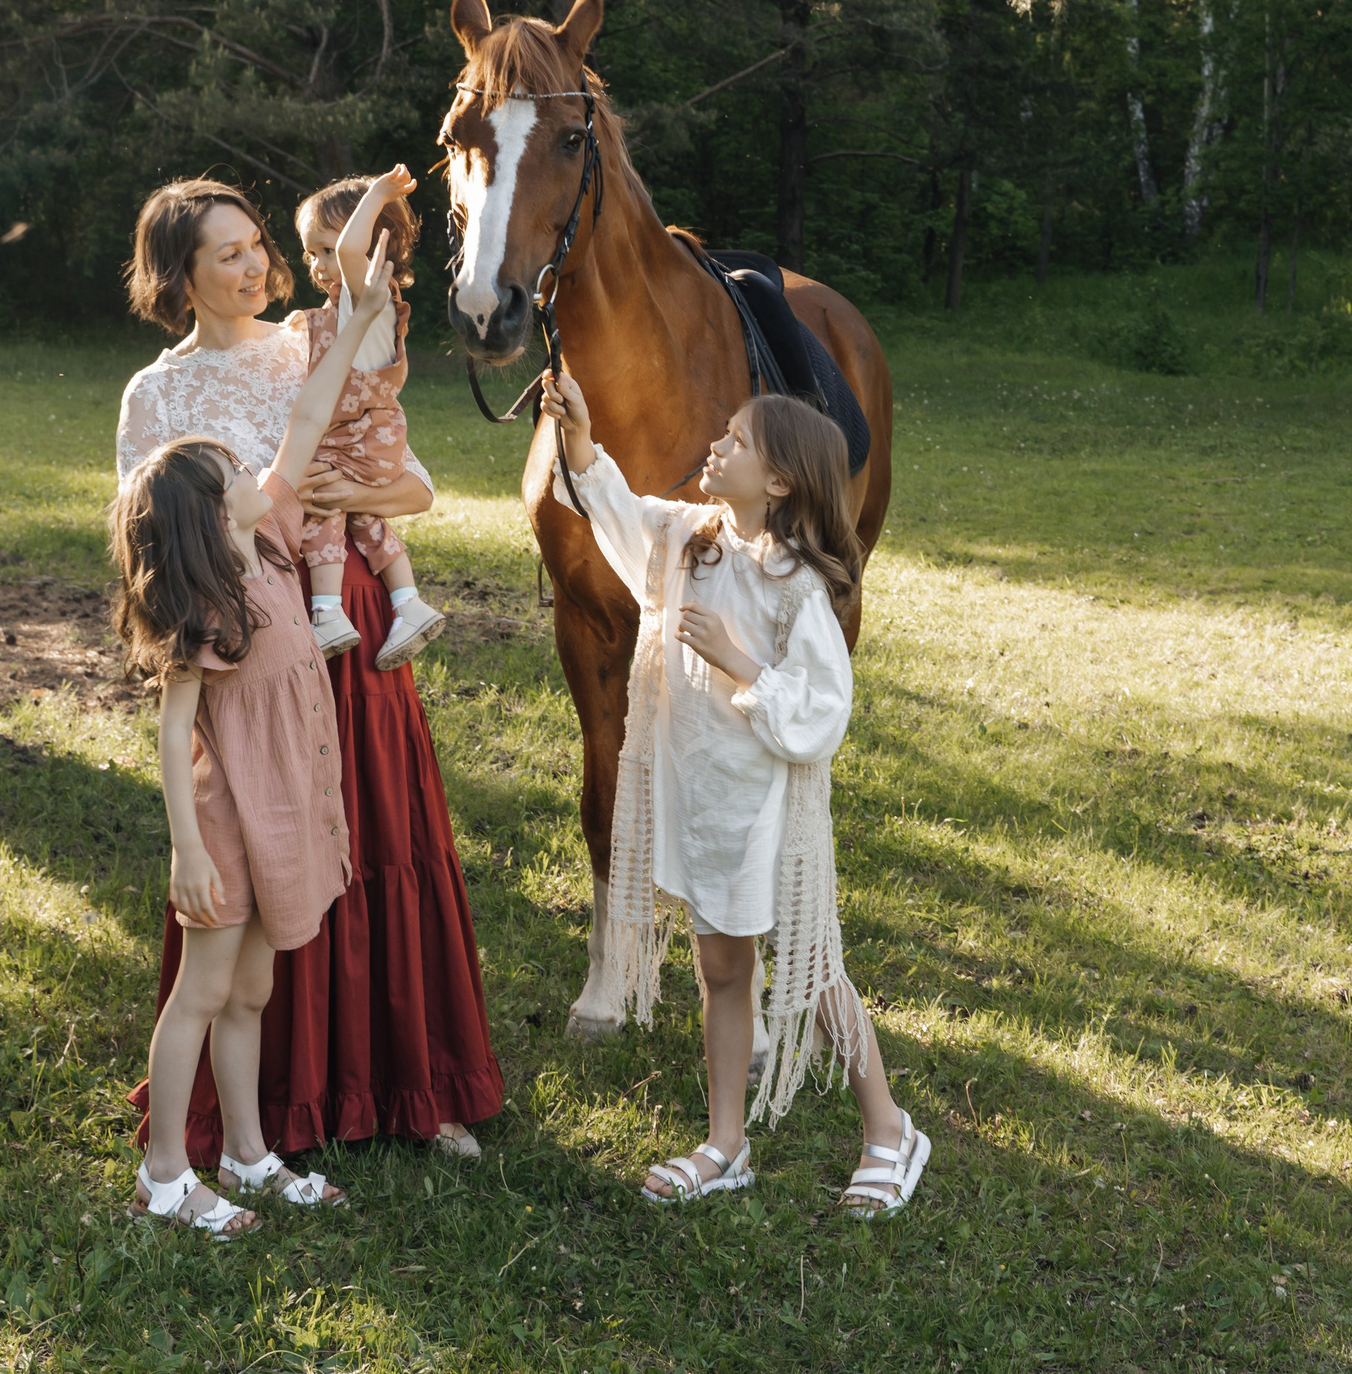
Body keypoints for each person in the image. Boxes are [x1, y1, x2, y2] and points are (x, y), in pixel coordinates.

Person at [115, 174, 503, 1164]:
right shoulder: (155, 394)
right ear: (181, 276)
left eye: (258, 244)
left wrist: (339, 490)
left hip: (345, 622)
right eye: (229, 254)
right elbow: (146, 543)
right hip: (238, 650)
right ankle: (262, 1113)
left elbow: (414, 486)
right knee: (254, 861)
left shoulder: (306, 344)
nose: (256, 266)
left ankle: (410, 1085)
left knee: (373, 841)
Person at [538, 372, 929, 1216]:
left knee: (812, 973)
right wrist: (579, 434)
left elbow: (822, 710)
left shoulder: (796, 587)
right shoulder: (693, 539)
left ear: (779, 482)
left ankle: (890, 1131)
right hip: (705, 798)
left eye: (737, 440)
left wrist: (736, 660)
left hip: (767, 811)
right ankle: (726, 1144)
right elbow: (617, 511)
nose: (717, 445)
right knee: (723, 970)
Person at [292, 176, 444, 670]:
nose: (318, 265)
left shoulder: (369, 300)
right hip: (372, 442)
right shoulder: (345, 307)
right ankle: (409, 604)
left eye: (327, 249)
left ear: (374, 245)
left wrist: (377, 196)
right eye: (310, 253)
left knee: (322, 506)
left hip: (355, 441)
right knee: (364, 519)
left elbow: (352, 253)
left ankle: (327, 612)